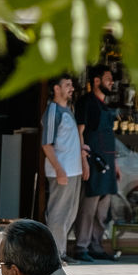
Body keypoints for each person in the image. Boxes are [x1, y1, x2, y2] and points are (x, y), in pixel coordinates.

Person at [73, 64, 121, 262]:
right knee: (88, 207)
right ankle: (81, 246)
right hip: (93, 161)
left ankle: (96, 245)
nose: (111, 82)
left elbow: (110, 136)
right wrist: (83, 161)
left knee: (102, 209)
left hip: (108, 161)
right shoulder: (86, 102)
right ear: (96, 81)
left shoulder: (106, 106)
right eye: (108, 78)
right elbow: (80, 133)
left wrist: (115, 163)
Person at [40, 73, 87, 263]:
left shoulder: (68, 109)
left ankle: (61, 252)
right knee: (58, 213)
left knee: (69, 213)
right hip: (62, 171)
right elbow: (47, 145)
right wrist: (59, 169)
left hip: (73, 170)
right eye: (67, 85)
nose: (72, 88)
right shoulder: (53, 111)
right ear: (56, 89)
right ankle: (54, 255)